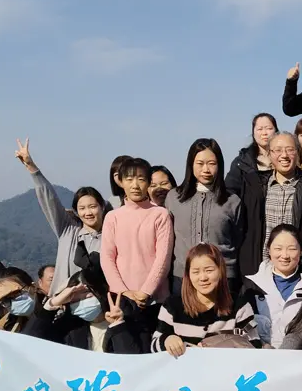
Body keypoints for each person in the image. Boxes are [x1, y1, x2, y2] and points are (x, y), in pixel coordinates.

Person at [239, 132, 302, 278]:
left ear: (297, 153)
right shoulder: (254, 186)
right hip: (261, 271)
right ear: (269, 154)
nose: (284, 155)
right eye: (278, 150)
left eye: (290, 150)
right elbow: (241, 227)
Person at [14, 138, 105, 296]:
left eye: (92, 206)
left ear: (102, 207)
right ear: (76, 211)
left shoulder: (112, 236)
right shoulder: (68, 231)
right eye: (82, 208)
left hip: (97, 305)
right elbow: (49, 200)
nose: (88, 213)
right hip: (61, 304)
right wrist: (31, 167)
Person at [100, 157, 174, 344]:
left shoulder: (160, 214)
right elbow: (107, 258)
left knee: (156, 350)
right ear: (121, 182)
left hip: (155, 299)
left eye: (141, 179)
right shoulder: (112, 217)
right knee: (126, 350)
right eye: (129, 179)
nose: (135, 185)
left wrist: (146, 292)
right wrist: (123, 291)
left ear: (148, 183)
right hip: (122, 301)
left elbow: (163, 257)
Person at [166, 139, 244, 294]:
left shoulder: (232, 201)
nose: (206, 169)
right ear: (191, 164)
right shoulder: (174, 197)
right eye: (200, 163)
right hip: (183, 277)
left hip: (223, 278)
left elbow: (238, 239)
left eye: (212, 163)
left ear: (219, 165)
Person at [152, 243, 260, 354]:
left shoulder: (240, 306)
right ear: (188, 275)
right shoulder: (172, 306)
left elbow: (254, 346)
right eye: (196, 272)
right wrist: (167, 340)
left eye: (209, 270)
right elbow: (154, 346)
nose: (203, 278)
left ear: (220, 271)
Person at [243, 225, 302, 349]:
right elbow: (243, 328)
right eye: (278, 249)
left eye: (292, 249)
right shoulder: (251, 286)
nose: (284, 255)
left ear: (301, 251)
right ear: (269, 250)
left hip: (300, 356)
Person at [226, 113, 278, 196]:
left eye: (269, 128)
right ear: (253, 133)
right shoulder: (241, 162)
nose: (264, 133)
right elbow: (229, 191)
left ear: (276, 131)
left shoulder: (285, 158)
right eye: (259, 129)